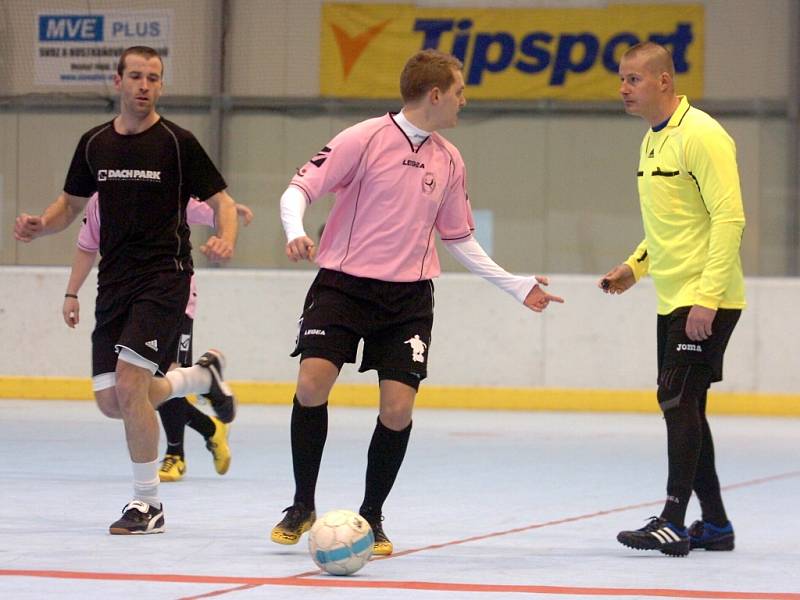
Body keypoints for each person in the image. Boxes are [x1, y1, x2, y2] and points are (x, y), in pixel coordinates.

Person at [272, 49, 563, 556]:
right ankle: (301, 503)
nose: (463, 101)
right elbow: (299, 188)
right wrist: (295, 231)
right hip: (341, 285)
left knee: (398, 409)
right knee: (312, 382)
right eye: (459, 92)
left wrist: (516, 285)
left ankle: (372, 514)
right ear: (435, 94)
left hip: (407, 297)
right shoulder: (361, 139)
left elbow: (460, 238)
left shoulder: (450, 159)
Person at [14, 46, 239, 535]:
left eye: (153, 78)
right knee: (113, 401)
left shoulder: (178, 143)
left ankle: (147, 504)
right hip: (114, 283)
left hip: (164, 278)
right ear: (118, 81)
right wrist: (39, 225)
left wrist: (226, 236)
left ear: (161, 85)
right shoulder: (95, 144)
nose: (144, 85)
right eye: (135, 76)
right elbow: (69, 205)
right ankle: (200, 378)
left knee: (131, 384)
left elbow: (223, 203)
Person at [601, 42, 745, 557]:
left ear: (664, 81)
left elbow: (729, 219)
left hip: (707, 296)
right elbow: (668, 228)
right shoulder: (652, 141)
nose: (623, 88)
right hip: (672, 298)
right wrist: (634, 268)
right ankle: (717, 525)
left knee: (677, 401)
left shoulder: (703, 135)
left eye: (633, 79)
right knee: (688, 407)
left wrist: (707, 297)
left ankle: (673, 519)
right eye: (621, 79)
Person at [62, 194, 254, 482]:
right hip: (126, 302)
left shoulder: (163, 187)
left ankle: (175, 454)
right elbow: (86, 244)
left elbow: (209, 208)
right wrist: (71, 292)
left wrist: (227, 213)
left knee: (166, 374)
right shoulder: (102, 199)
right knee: (145, 387)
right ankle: (209, 416)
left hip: (173, 300)